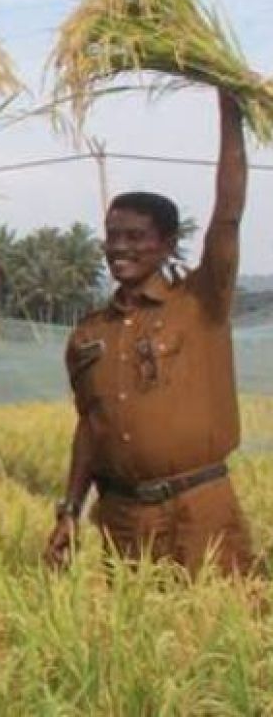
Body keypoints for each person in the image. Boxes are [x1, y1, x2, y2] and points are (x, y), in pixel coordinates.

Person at [45, 90, 254, 576]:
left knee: (220, 637)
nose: (119, 248)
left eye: (135, 237)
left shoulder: (203, 300)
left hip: (200, 508)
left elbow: (228, 212)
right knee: (138, 643)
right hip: (122, 520)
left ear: (166, 243)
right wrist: (70, 512)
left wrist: (230, 109)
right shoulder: (88, 334)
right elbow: (89, 430)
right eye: (112, 236)